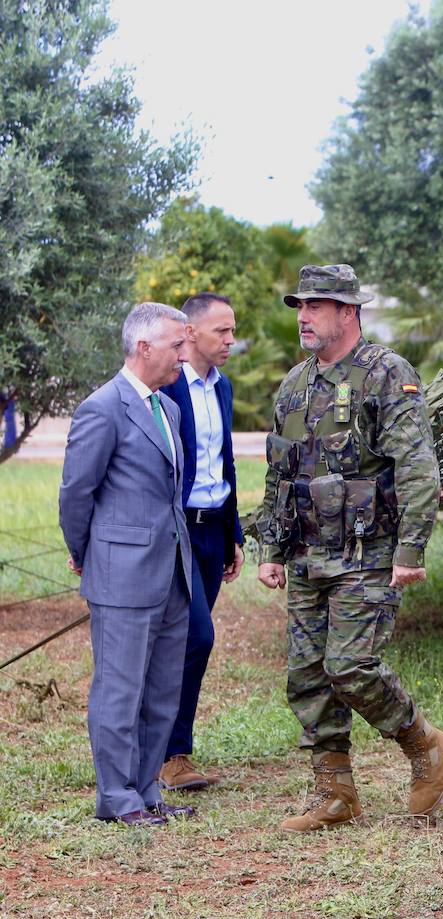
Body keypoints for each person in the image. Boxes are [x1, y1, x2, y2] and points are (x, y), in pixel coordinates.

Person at [254, 264, 443, 832]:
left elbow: (417, 469)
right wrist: (270, 546)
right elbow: (278, 476)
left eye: (316, 306)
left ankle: (423, 744)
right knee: (309, 674)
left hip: (369, 553)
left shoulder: (387, 374)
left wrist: (411, 550)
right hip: (308, 554)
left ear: (349, 312)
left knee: (351, 667)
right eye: (299, 306)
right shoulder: (294, 386)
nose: (304, 317)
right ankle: (334, 793)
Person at [58, 302, 196, 827]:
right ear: (144, 348)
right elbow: (77, 492)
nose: (184, 356)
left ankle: (147, 792)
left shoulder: (170, 408)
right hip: (123, 575)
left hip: (172, 573)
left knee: (162, 690)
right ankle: (117, 799)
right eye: (176, 347)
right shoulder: (103, 407)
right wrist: (86, 552)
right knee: (120, 689)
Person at [157, 292, 245, 792]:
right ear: (190, 333)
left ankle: (171, 750)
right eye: (222, 331)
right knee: (196, 637)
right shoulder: (168, 389)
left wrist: (232, 533)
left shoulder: (223, 388)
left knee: (188, 642)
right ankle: (171, 754)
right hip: (178, 532)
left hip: (214, 529)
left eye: (232, 331)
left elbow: (224, 462)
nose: (230, 340)